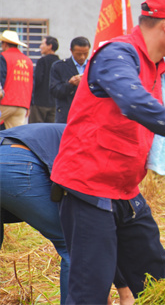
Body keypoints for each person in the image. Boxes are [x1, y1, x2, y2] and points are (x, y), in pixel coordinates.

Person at [50, 0, 165, 303]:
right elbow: (134, 102)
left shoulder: (158, 69)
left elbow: (156, 130)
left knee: (153, 272)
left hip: (124, 189)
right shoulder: (116, 55)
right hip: (88, 187)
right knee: (91, 286)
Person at [0, 123, 134, 305]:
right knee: (77, 244)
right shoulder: (100, 152)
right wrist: (123, 291)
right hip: (15, 166)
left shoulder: (82, 133)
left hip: (9, 153)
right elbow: (97, 229)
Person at [49, 36, 91, 123]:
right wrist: (69, 84)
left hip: (88, 114)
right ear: (71, 51)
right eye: (79, 54)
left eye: (85, 53)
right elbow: (54, 91)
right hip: (67, 114)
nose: (82, 57)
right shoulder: (59, 66)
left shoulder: (93, 67)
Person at [0, 30, 34, 128]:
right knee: (15, 135)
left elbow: (1, 78)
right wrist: (29, 105)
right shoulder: (28, 61)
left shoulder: (3, 57)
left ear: (5, 44)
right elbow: (31, 84)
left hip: (4, 103)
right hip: (22, 105)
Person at [29, 36, 60, 123]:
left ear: (49, 46)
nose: (40, 47)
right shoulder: (59, 62)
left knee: (35, 130)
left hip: (39, 103)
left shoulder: (42, 61)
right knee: (50, 132)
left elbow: (37, 80)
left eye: (42, 44)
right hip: (54, 104)